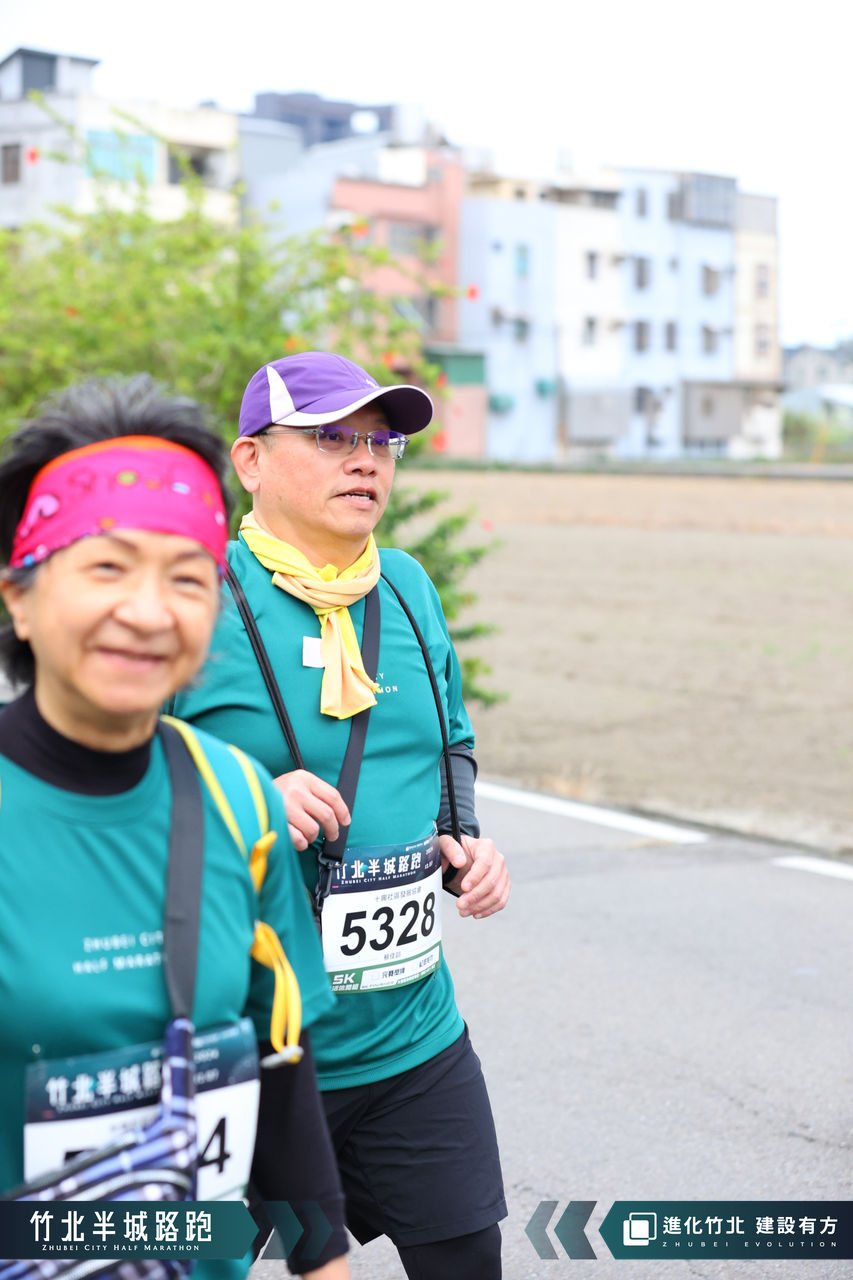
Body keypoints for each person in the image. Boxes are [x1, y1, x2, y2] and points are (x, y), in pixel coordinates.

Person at [0, 376, 349, 1280]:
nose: (149, 612)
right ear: (20, 598)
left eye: (187, 578)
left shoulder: (237, 798)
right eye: (107, 568)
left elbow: (279, 1064)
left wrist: (324, 1263)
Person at [172, 351, 511, 1279]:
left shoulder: (404, 586)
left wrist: (463, 840)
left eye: (381, 442)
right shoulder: (194, 596)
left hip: (413, 1040)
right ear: (250, 460)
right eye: (330, 437)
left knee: (466, 1262)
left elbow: (446, 740)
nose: (365, 459)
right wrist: (243, 797)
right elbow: (111, 776)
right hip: (247, 1049)